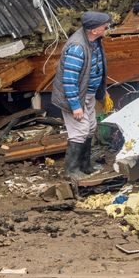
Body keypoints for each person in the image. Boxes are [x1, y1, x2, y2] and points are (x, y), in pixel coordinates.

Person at [50, 11, 110, 179]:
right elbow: (69, 80)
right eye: (104, 26)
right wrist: (75, 106)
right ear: (94, 30)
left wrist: (101, 90)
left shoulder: (95, 41)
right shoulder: (77, 48)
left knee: (90, 127)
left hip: (88, 94)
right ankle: (71, 171)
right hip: (75, 97)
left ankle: (85, 165)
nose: (107, 27)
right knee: (80, 131)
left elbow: (97, 67)